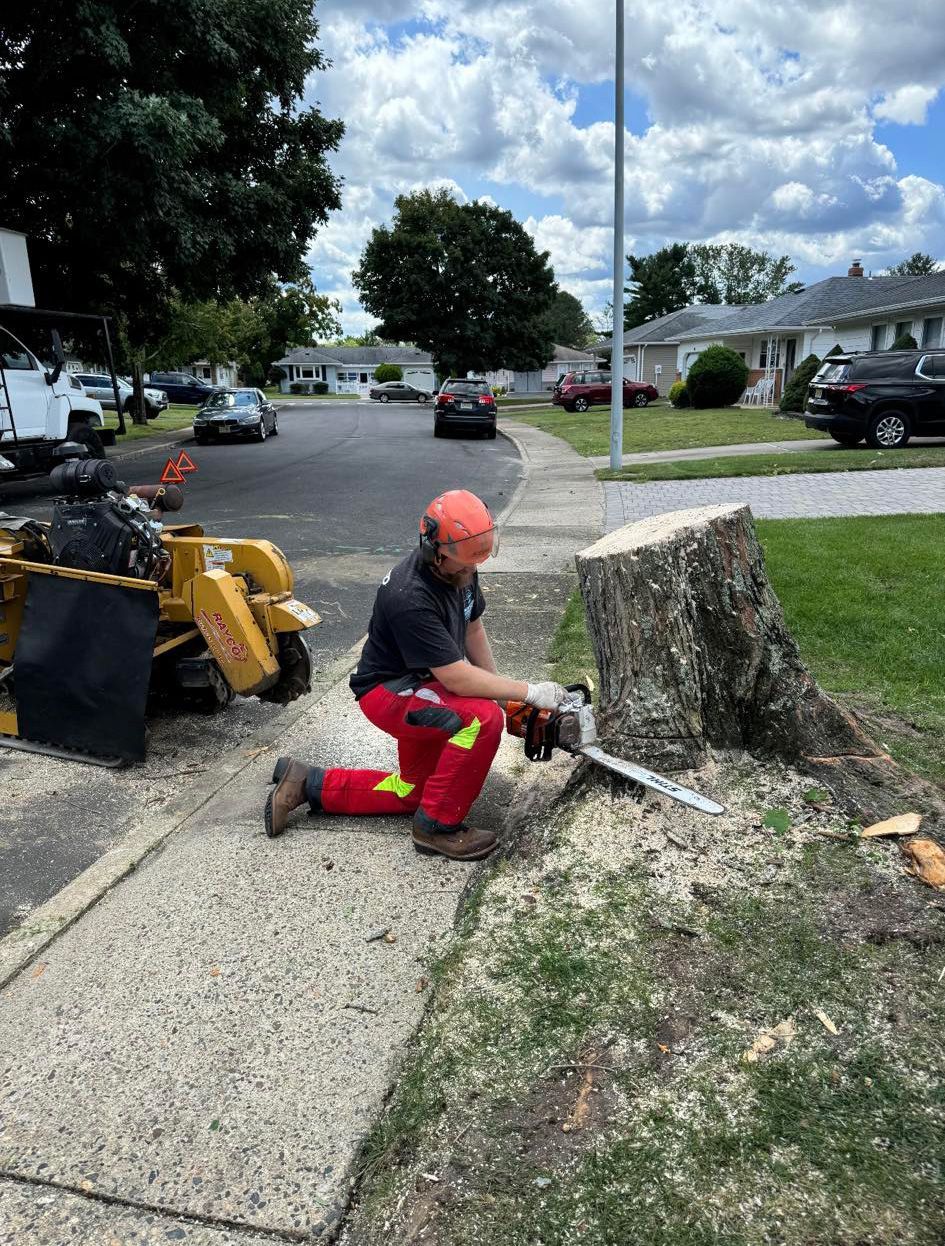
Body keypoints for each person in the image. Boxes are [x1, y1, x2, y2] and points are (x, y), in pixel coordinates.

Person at [264, 489, 566, 860]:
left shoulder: (462, 567)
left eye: (477, 563)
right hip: (391, 692)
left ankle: (306, 783)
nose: (472, 571)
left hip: (427, 688)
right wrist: (529, 691)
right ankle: (436, 828)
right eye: (465, 564)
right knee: (479, 720)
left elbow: (472, 628)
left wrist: (506, 697)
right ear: (434, 550)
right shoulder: (410, 596)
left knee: (415, 792)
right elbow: (456, 678)